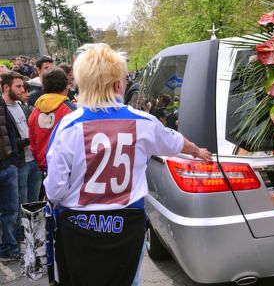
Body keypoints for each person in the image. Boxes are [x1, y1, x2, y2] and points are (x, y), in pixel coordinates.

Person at [44, 43, 212, 286]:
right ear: (117, 85)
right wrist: (197, 150)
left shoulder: (68, 126)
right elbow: (173, 142)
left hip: (78, 227)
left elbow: (55, 190)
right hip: (126, 224)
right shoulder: (143, 121)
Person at [1, 72, 43, 204]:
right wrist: (30, 140)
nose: (23, 89)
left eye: (22, 86)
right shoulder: (3, 109)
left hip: (34, 161)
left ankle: (34, 225)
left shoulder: (22, 107)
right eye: (18, 86)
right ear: (6, 87)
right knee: (21, 205)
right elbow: (8, 141)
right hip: (20, 164)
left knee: (35, 202)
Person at [28, 67, 76, 172]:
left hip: (44, 166)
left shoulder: (34, 112)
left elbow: (33, 144)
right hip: (67, 169)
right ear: (66, 86)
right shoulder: (71, 111)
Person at [0, 85, 20, 261]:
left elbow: (10, 130)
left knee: (12, 211)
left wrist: (13, 159)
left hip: (7, 165)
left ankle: (10, 247)